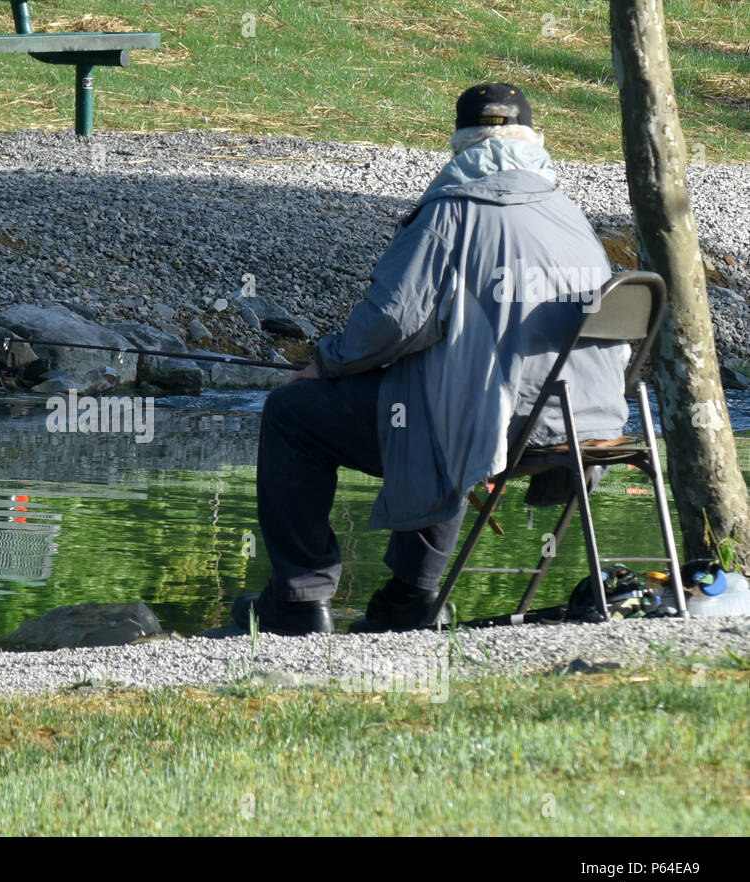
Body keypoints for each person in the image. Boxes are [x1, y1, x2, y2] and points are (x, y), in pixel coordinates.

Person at [234, 83, 630, 635]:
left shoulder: (451, 211)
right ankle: (408, 599)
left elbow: (394, 321)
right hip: (588, 423)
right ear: (535, 141)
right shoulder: (570, 217)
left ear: (460, 145)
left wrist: (327, 362)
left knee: (293, 413)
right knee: (437, 396)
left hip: (500, 424)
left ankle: (300, 600)